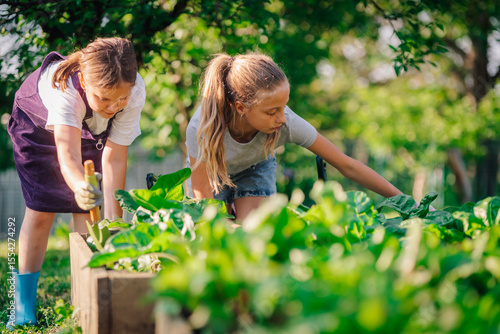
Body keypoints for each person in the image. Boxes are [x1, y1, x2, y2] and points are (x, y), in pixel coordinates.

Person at [7, 37, 145, 328]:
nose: (114, 106)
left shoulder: (132, 90)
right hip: (36, 128)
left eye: (121, 99)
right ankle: (22, 307)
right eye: (105, 99)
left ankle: (86, 296)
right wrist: (78, 185)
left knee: (87, 212)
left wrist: (113, 223)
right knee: (42, 209)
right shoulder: (66, 90)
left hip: (86, 130)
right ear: (83, 78)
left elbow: (114, 158)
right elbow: (67, 155)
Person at [186, 52, 403, 220]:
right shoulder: (202, 128)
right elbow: (204, 206)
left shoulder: (287, 123)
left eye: (283, 107)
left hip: (255, 168)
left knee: (251, 231)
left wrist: (404, 201)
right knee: (216, 233)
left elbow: (347, 165)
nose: (282, 118)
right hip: (212, 172)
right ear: (241, 107)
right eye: (271, 112)